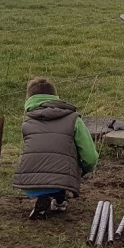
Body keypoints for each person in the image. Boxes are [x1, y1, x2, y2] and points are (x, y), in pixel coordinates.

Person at [13, 77, 98, 220]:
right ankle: (59, 200)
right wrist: (86, 168)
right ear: (55, 96)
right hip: (61, 178)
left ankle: (44, 197)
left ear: (29, 98)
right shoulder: (73, 119)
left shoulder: (28, 122)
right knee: (63, 160)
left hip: (29, 181)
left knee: (47, 157)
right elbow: (90, 156)